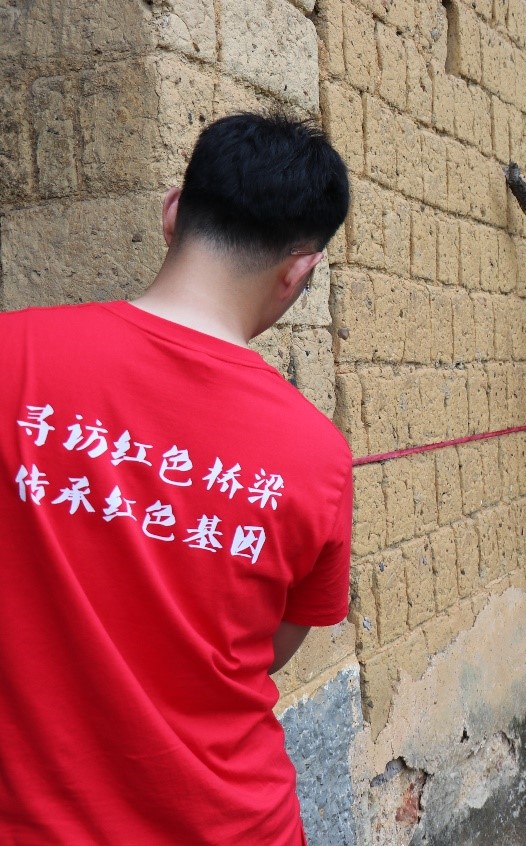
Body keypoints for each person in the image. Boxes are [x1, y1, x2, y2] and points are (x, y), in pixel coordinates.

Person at [0, 112, 352, 845]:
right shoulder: (318, 455)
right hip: (233, 824)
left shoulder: (12, 354)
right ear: (300, 269)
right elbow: (266, 650)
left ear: (171, 212)